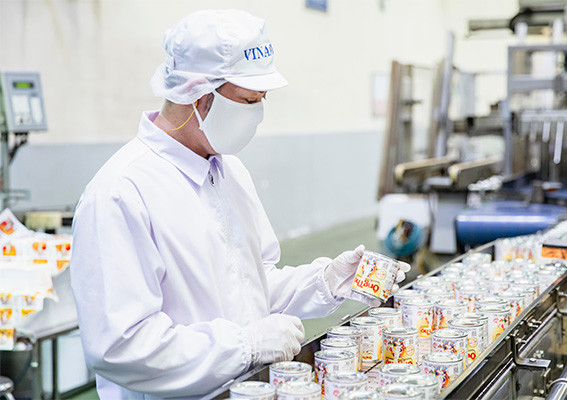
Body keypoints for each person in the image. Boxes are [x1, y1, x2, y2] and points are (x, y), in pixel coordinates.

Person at [70, 9, 409, 399]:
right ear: (199, 95)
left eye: (262, 100)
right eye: (249, 100)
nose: (258, 115)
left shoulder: (229, 171)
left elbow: (253, 286)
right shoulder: (121, 194)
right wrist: (245, 346)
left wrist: (326, 281)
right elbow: (120, 347)